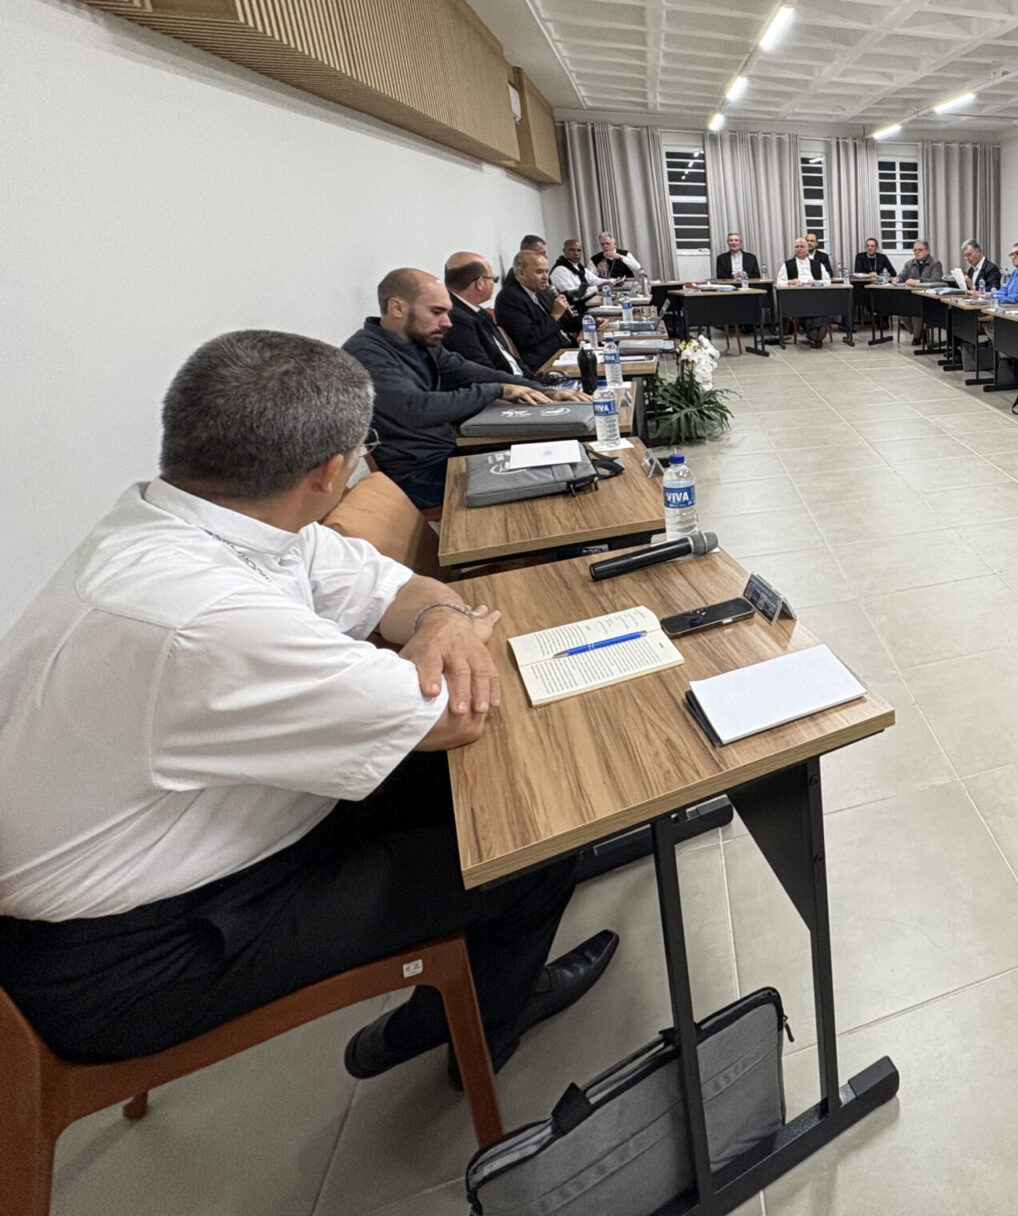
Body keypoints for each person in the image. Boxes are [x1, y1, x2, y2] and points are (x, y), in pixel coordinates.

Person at [0, 329, 616, 1084]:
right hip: (139, 949)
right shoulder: (200, 614)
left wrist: (443, 622)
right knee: (531, 842)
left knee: (503, 789)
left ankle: (462, 1002)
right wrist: (459, 631)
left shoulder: (211, 521)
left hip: (212, 827)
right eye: (364, 452)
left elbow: (399, 590)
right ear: (328, 473)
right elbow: (454, 712)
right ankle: (479, 1034)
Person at [343, 269, 583, 510]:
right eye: (436, 312)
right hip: (418, 476)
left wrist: (543, 390)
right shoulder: (365, 354)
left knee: (563, 458)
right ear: (397, 308)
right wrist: (495, 390)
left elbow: (472, 371)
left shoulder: (419, 341)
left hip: (450, 453)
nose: (447, 322)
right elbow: (417, 409)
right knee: (553, 485)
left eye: (447, 312)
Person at [442, 253, 526, 377]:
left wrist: (536, 379)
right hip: (505, 390)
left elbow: (508, 357)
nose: (495, 283)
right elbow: (485, 372)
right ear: (479, 283)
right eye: (494, 279)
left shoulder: (478, 312)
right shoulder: (457, 320)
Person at [498, 249, 581, 373]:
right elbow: (528, 337)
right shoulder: (509, 298)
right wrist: (555, 315)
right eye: (539, 272)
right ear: (520, 273)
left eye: (547, 272)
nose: (545, 277)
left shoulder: (541, 291)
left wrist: (590, 321)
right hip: (545, 362)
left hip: (565, 352)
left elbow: (566, 322)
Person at [780, 237, 833, 347]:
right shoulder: (787, 264)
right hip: (797, 298)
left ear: (808, 248)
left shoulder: (817, 264)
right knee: (808, 308)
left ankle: (815, 334)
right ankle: (817, 334)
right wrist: (790, 282)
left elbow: (828, 281)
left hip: (815, 296)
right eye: (797, 247)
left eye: (802, 246)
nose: (799, 249)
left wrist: (818, 282)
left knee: (822, 307)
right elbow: (779, 283)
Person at [550, 239, 604, 307]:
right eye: (571, 250)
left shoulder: (578, 267)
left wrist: (614, 281)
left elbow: (596, 280)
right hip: (575, 310)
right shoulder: (560, 270)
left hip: (586, 304)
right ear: (564, 251)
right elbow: (576, 295)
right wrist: (597, 287)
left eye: (579, 250)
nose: (576, 253)